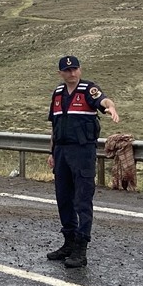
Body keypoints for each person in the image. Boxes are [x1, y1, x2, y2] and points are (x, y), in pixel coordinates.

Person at [46, 55, 120, 269]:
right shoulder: (58, 93)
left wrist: (110, 108)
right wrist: (52, 152)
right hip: (61, 152)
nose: (72, 73)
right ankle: (68, 242)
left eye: (75, 69)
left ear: (80, 70)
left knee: (82, 200)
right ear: (60, 73)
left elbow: (104, 100)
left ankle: (81, 248)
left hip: (82, 152)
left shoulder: (89, 89)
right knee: (64, 199)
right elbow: (54, 125)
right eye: (67, 70)